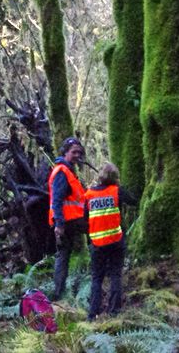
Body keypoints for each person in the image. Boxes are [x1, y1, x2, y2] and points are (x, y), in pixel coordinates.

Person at [83, 163, 137, 321]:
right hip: (115, 241)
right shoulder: (117, 191)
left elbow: (85, 218)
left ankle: (92, 315)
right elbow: (133, 201)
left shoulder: (89, 194)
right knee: (115, 275)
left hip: (97, 243)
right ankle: (114, 311)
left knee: (96, 278)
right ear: (115, 178)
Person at [49, 137, 87, 302]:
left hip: (72, 220)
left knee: (64, 255)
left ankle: (60, 292)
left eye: (79, 152)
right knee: (63, 255)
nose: (77, 155)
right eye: (74, 152)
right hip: (67, 221)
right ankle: (59, 293)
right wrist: (59, 224)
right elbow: (57, 199)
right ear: (65, 152)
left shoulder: (69, 171)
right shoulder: (62, 172)